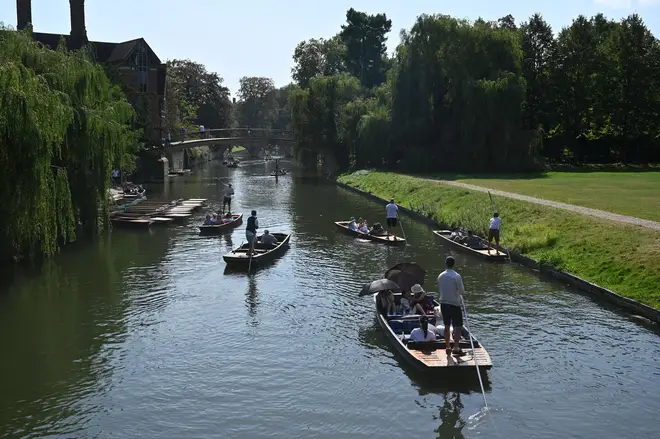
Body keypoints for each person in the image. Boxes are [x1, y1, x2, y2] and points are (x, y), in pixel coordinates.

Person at [437, 256, 466, 355]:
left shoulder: (440, 276)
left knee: (446, 325)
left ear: (446, 263)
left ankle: (448, 346)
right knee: (458, 326)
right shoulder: (456, 276)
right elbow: (462, 291)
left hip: (444, 304)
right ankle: (456, 347)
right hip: (454, 304)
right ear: (454, 264)